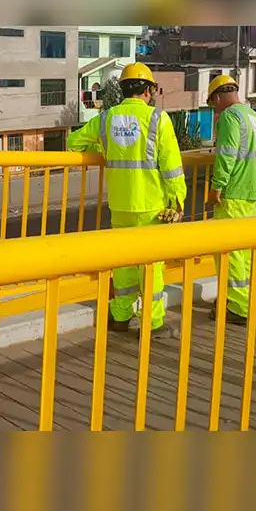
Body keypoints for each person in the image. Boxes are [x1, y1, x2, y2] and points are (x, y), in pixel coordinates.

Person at [66, 63, 187, 338]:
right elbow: (171, 167)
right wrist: (177, 201)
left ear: (122, 90)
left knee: (123, 262)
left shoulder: (106, 118)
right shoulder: (158, 119)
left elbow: (74, 142)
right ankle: (152, 323)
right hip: (152, 206)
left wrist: (104, 147)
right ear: (148, 90)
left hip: (120, 205)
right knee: (151, 266)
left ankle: (120, 316)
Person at [205, 75, 256, 324]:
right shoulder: (255, 117)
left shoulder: (230, 116)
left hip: (232, 194)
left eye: (213, 105)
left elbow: (226, 154)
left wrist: (216, 187)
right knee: (242, 255)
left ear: (216, 97)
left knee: (229, 254)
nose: (215, 110)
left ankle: (238, 308)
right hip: (251, 195)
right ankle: (237, 301)